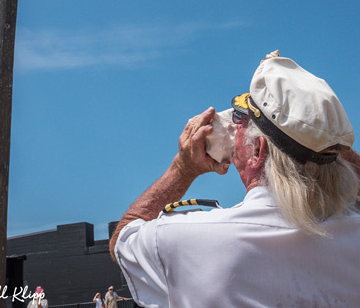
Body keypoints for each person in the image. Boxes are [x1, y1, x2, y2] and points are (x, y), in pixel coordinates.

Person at [110, 53, 360, 308]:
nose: (232, 124)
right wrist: (322, 136)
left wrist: (182, 169)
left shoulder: (188, 239)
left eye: (240, 119)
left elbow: (123, 239)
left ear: (256, 151)